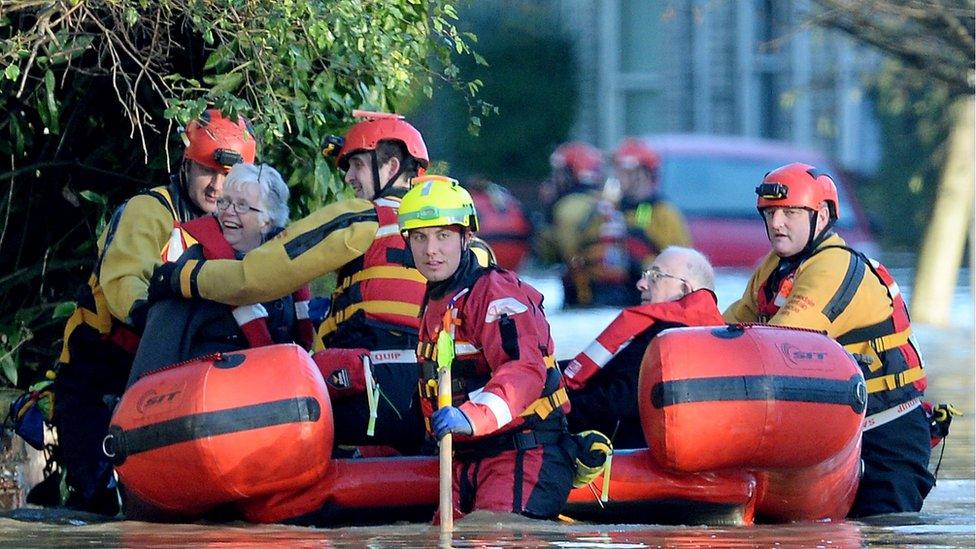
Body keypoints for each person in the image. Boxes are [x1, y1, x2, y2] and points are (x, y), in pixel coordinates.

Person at [148, 112, 492, 456]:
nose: (348, 178)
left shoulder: (362, 219)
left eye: (356, 165)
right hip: (442, 402)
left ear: (389, 166)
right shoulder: (468, 242)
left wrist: (181, 278)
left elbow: (251, 278)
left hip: (370, 398)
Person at [53, 108, 256, 515]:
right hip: (99, 373)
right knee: (99, 505)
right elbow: (124, 279)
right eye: (208, 172)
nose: (218, 187)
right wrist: (154, 317)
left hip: (170, 379)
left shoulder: (242, 227)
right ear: (185, 165)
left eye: (229, 178)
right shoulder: (149, 211)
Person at [723, 162, 933, 517]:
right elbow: (729, 325)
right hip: (834, 440)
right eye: (770, 213)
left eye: (790, 212)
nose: (776, 223)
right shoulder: (774, 267)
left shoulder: (834, 267)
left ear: (820, 216)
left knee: (882, 529)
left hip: (886, 437)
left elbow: (782, 343)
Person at [398, 177, 574, 521]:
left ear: (467, 238)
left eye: (443, 236)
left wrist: (470, 416)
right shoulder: (436, 301)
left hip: (522, 452)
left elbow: (525, 371)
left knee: (493, 534)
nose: (430, 249)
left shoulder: (496, 293)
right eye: (420, 237)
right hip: (467, 458)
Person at [128, 163, 314, 385]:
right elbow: (158, 349)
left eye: (242, 206)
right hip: (206, 395)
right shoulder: (191, 265)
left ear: (267, 220)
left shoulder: (289, 265)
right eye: (225, 202)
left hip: (276, 393)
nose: (228, 212)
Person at [562, 246, 724, 449]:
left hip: (622, 457)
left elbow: (617, 402)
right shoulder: (704, 336)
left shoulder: (668, 338)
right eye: (645, 275)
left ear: (684, 290)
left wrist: (550, 411)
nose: (641, 284)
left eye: (655, 276)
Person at [612, 138, 692, 269]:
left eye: (626, 171)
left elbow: (680, 264)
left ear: (644, 174)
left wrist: (642, 265)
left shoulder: (663, 213)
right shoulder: (613, 208)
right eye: (618, 170)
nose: (619, 176)